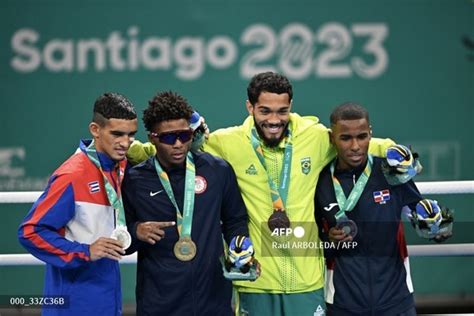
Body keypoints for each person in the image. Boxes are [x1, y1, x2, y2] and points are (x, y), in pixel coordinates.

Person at [126, 72, 397, 315]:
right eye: (265, 111)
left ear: (291, 107)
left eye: (282, 111)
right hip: (256, 281)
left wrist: (394, 151)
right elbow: (171, 146)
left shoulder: (313, 137)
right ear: (250, 107)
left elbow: (356, 145)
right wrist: (129, 150)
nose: (274, 120)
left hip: (306, 278)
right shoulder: (227, 143)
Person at [122, 91, 255, 316]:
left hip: (212, 300)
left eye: (184, 136)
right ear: (152, 137)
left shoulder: (217, 171)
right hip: (159, 304)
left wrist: (239, 246)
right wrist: (135, 231)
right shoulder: (135, 180)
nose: (178, 144)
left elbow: (236, 220)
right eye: (168, 137)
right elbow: (121, 241)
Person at [314, 102, 452, 315]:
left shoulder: (391, 172)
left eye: (361, 136)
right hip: (343, 303)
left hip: (396, 301)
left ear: (370, 134)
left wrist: (437, 225)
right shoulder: (320, 182)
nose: (355, 146)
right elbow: (308, 239)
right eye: (345, 138)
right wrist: (328, 240)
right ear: (332, 138)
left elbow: (433, 226)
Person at [18, 93, 138, 315]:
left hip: (107, 298)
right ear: (95, 130)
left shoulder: (119, 167)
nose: (125, 142)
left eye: (131, 135)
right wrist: (84, 251)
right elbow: (30, 232)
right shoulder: (72, 175)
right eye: (117, 134)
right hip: (72, 303)